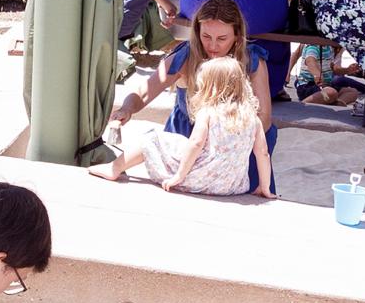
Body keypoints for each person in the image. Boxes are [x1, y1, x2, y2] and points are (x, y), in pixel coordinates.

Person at [109, 0, 277, 193]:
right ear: (197, 32)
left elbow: (264, 117)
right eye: (206, 36)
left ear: (237, 37)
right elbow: (144, 91)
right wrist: (127, 109)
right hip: (190, 133)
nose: (213, 45)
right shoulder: (186, 56)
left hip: (237, 141)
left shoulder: (251, 60)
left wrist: (228, 137)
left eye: (222, 39)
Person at [90, 57, 275, 199]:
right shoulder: (253, 119)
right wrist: (264, 187)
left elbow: (196, 144)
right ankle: (116, 168)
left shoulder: (208, 112)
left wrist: (178, 176)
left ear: (210, 88)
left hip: (200, 180)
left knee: (152, 139)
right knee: (179, 142)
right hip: (231, 186)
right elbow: (263, 153)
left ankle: (114, 168)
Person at [295, 42, 365, 105]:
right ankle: (303, 104)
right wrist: (316, 74)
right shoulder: (313, 46)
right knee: (331, 93)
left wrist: (348, 70)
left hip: (326, 85)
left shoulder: (329, 48)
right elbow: (310, 61)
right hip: (308, 86)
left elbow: (334, 69)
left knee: (352, 92)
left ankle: (338, 102)